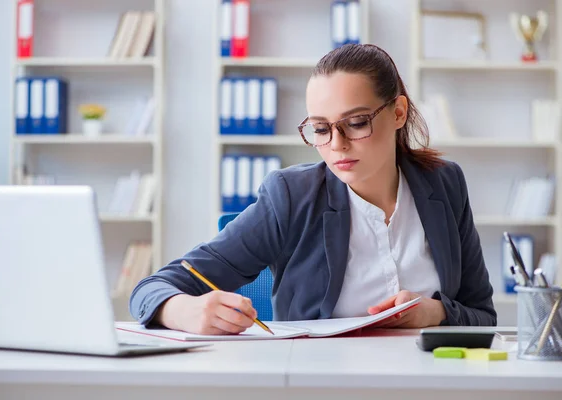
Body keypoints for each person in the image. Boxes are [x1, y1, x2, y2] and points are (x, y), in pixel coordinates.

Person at [130, 44, 496, 335]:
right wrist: (182, 310)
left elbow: (483, 315)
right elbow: (154, 287)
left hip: (432, 380)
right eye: (321, 129)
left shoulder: (445, 185)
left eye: (355, 123)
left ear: (398, 112)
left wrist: (435, 312)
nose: (336, 144)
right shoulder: (291, 195)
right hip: (320, 381)